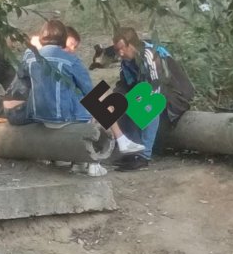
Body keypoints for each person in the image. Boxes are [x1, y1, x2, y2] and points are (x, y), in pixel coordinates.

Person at [22, 20, 144, 176]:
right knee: (99, 98)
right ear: (62, 38)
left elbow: (24, 83)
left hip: (37, 115)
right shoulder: (69, 60)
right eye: (71, 44)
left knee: (95, 99)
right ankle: (100, 157)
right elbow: (89, 91)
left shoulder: (29, 56)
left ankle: (112, 146)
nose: (72, 50)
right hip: (61, 117)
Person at [112, 27, 195, 171]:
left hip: (174, 95)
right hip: (148, 92)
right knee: (121, 106)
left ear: (132, 45)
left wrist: (137, 102)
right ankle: (132, 151)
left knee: (149, 105)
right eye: (117, 50)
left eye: (122, 49)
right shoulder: (126, 61)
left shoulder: (150, 55)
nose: (120, 53)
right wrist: (116, 101)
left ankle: (143, 156)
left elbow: (156, 88)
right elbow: (124, 85)